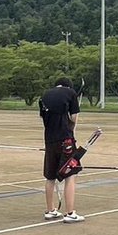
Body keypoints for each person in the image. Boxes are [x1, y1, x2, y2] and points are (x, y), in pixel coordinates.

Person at [39, 77, 84, 222]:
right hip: (66, 140)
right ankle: (70, 213)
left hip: (50, 139)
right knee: (70, 174)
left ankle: (50, 210)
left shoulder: (45, 95)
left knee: (50, 176)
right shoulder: (71, 93)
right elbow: (74, 118)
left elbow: (44, 118)